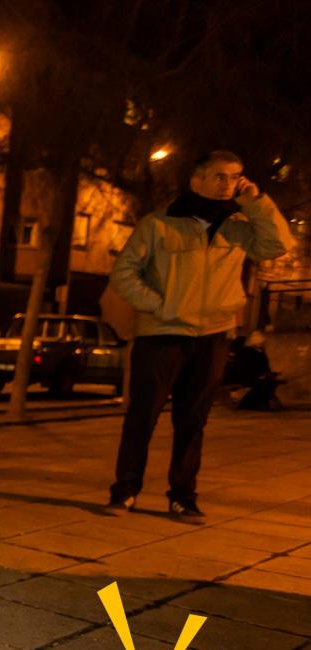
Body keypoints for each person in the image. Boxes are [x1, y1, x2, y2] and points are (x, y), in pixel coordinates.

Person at [106, 150, 294, 519]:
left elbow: (278, 244)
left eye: (235, 176)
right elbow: (124, 273)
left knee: (193, 420)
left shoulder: (239, 226)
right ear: (197, 180)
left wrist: (256, 201)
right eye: (220, 176)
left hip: (213, 334)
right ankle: (124, 492)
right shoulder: (159, 224)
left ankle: (183, 496)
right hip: (161, 333)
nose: (229, 184)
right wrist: (160, 305)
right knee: (142, 416)